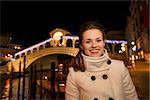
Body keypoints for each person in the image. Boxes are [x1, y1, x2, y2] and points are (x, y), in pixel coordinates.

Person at [65, 20, 139, 100]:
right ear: (81, 46)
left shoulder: (119, 67)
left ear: (104, 42)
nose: (94, 45)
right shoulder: (74, 73)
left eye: (98, 40)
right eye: (88, 42)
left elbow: (131, 97)